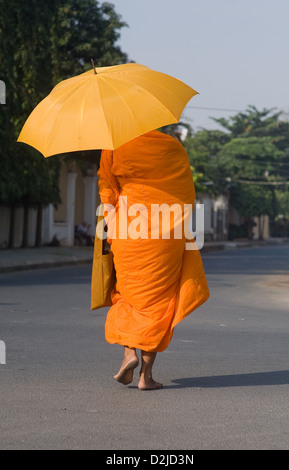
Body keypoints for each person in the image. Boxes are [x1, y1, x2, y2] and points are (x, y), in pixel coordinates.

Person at [96, 130, 210, 390]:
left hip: (128, 230)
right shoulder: (172, 147)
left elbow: (106, 191)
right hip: (166, 234)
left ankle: (129, 354)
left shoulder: (113, 144)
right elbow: (186, 192)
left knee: (126, 294)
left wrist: (111, 221)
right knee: (159, 301)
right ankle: (145, 377)